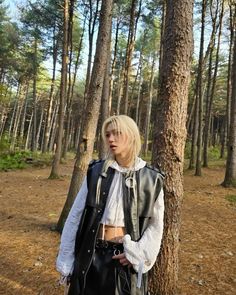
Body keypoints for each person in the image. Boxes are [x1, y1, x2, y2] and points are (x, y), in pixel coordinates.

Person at [56, 115, 165, 295]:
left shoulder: (151, 179)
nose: (110, 139)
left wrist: (138, 254)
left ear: (131, 135)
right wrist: (67, 257)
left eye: (117, 133)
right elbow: (75, 216)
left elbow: (156, 225)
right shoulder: (96, 171)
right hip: (91, 253)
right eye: (107, 135)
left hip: (123, 258)